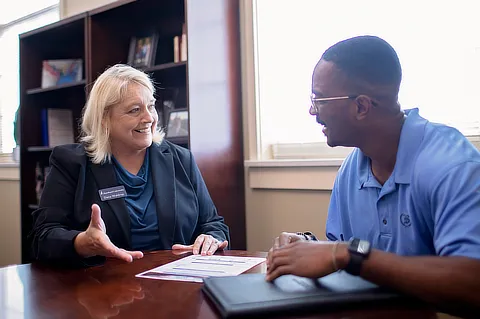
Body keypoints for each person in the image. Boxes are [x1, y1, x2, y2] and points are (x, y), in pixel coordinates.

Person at [266, 36, 480, 313]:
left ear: (361, 107)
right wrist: (309, 248)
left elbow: (473, 283)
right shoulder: (351, 171)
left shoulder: (452, 166)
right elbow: (342, 253)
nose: (312, 111)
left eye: (319, 100)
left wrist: (346, 254)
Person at [31, 64, 229, 267]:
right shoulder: (71, 163)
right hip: (102, 289)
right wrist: (82, 243)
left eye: (151, 106)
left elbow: (213, 224)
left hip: (174, 285)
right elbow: (42, 237)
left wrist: (210, 238)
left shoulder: (181, 159)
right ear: (104, 119)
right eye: (135, 110)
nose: (149, 118)